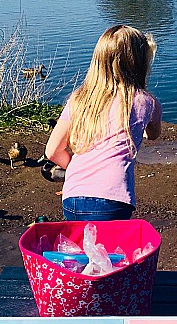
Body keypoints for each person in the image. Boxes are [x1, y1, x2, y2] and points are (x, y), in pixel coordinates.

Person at [45, 24, 162, 222]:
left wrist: (74, 169)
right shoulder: (146, 102)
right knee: (109, 251)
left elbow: (52, 151)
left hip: (73, 196)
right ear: (140, 63)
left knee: (83, 248)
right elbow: (153, 134)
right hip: (113, 197)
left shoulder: (79, 99)